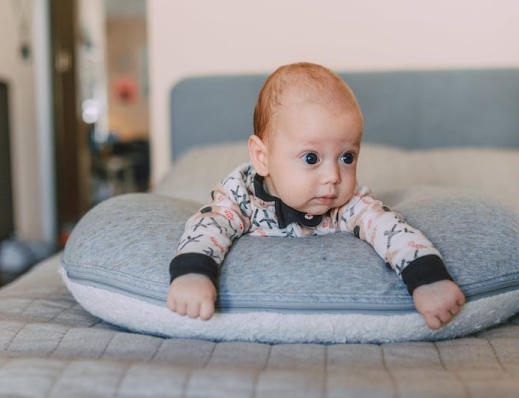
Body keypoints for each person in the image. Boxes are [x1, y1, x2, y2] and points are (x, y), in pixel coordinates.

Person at [167, 62, 465, 330]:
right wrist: (194, 272)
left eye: (347, 157)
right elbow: (209, 226)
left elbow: (389, 228)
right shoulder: (240, 196)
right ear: (262, 157)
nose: (333, 176)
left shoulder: (349, 203)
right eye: (311, 158)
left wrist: (427, 278)